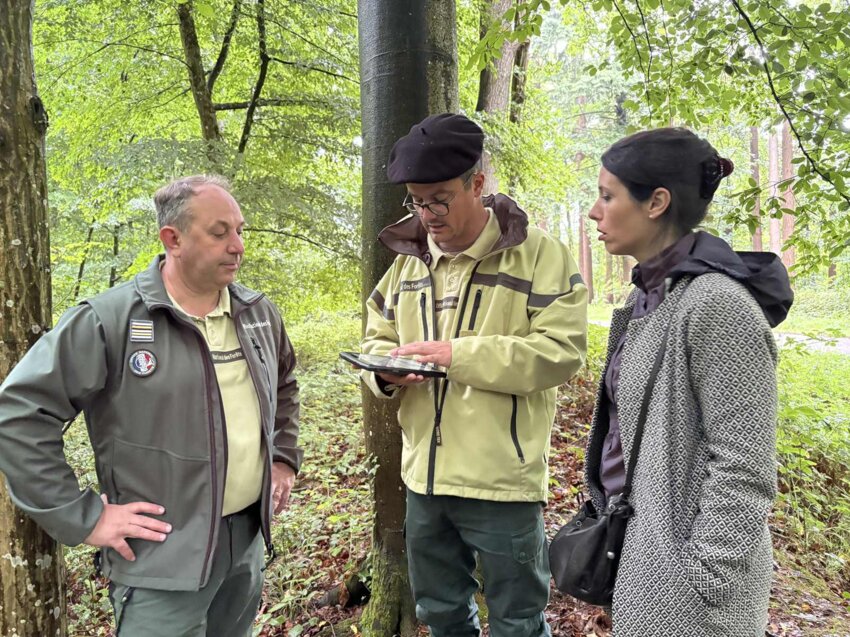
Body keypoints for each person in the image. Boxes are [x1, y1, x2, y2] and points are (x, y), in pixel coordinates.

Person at [0, 175, 302, 636]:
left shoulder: (257, 313)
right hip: (161, 557)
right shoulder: (110, 320)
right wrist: (84, 518)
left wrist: (282, 460)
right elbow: (19, 414)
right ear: (173, 238)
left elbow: (284, 387)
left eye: (240, 230)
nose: (237, 245)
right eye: (220, 232)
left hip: (245, 544)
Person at [361, 113, 588, 637]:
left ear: (478, 184)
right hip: (424, 480)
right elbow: (377, 339)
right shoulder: (407, 266)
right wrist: (388, 375)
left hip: (501, 481)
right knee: (439, 614)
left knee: (517, 620)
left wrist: (453, 355)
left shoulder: (540, 257)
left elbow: (561, 352)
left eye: (439, 198)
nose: (427, 214)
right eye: (416, 201)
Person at [583, 128, 793, 636]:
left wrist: (702, 579)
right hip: (644, 570)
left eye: (608, 196)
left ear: (656, 202)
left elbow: (746, 465)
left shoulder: (717, 306)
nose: (594, 211)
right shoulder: (645, 301)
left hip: (693, 601)